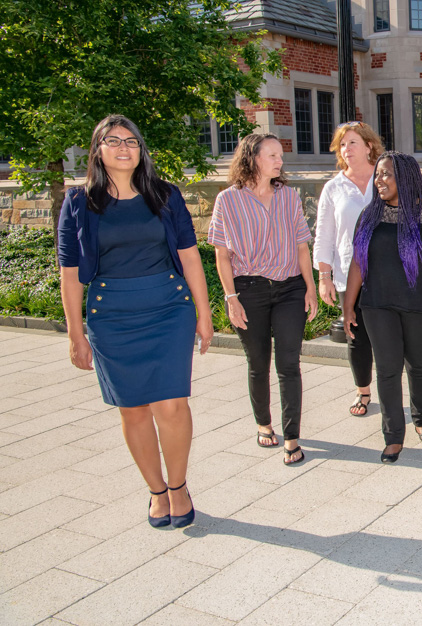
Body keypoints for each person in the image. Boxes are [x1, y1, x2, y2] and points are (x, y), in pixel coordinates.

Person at [58, 114, 214, 529]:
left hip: (167, 308)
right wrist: (76, 334)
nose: (124, 148)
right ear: (97, 151)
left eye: (131, 141)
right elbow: (70, 274)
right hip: (111, 316)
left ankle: (179, 487)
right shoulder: (77, 203)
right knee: (133, 411)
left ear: (141, 150)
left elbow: (189, 255)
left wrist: (205, 312)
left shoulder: (165, 195)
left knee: (172, 404)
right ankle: (156, 490)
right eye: (113, 141)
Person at [209, 133, 318, 467]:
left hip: (289, 289)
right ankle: (263, 423)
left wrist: (310, 288)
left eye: (280, 155)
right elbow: (221, 254)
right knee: (258, 363)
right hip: (249, 290)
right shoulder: (227, 200)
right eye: (273, 155)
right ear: (253, 158)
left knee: (289, 364)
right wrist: (231, 297)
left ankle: (292, 437)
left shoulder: (289, 197)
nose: (279, 161)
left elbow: (302, 245)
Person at [343, 152, 422, 464]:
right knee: (388, 369)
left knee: (418, 365)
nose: (379, 180)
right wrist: (348, 305)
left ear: (405, 178)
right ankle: (393, 436)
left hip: (420, 305)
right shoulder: (369, 215)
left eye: (387, 174)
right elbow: (357, 263)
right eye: (377, 174)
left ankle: (421, 418)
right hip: (377, 304)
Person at [314, 121, 383, 416]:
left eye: (352, 143)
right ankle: (363, 391)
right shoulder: (334, 187)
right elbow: (324, 234)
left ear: (369, 146)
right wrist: (324, 276)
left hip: (387, 273)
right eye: (342, 145)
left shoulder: (386, 178)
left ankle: (393, 388)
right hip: (347, 275)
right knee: (356, 335)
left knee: (389, 335)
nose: (346, 149)